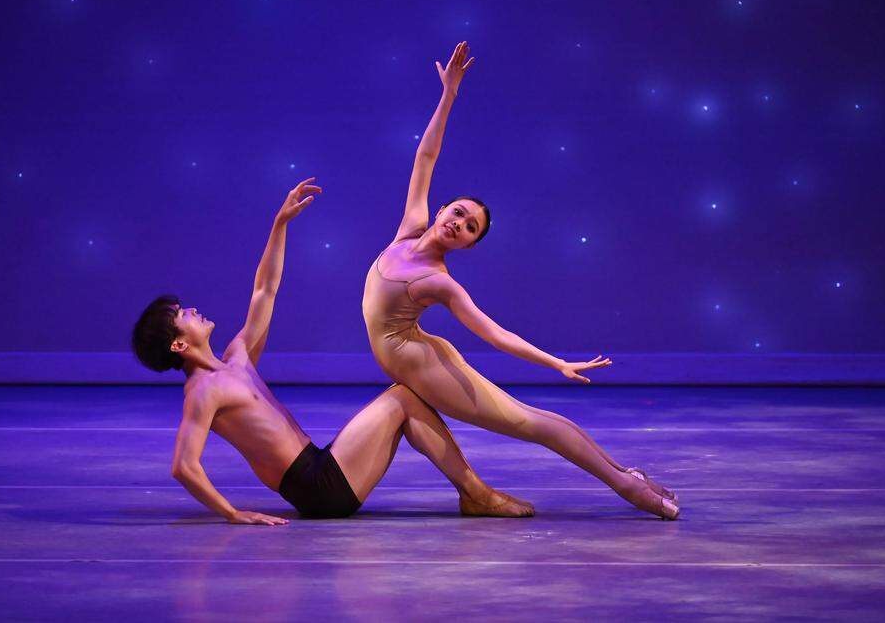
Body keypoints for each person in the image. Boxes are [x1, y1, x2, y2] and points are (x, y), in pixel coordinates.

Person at [360, 41, 681, 520]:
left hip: (425, 365)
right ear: (444, 207)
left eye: (470, 228)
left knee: (533, 424)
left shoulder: (439, 282)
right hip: (416, 356)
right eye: (459, 212)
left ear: (467, 246)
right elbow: (426, 156)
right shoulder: (408, 228)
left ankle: (627, 486)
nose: (459, 223)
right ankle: (618, 476)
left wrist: (556, 363)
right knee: (511, 421)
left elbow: (495, 334)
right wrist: (449, 93)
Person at [131, 178, 533, 524]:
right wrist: (233, 514)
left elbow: (264, 290)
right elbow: (184, 466)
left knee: (406, 398)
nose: (193, 310)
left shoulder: (237, 357)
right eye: (183, 314)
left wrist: (280, 223)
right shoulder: (203, 392)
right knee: (403, 398)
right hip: (316, 489)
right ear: (178, 344)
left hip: (322, 463)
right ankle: (476, 493)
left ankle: (474, 492)